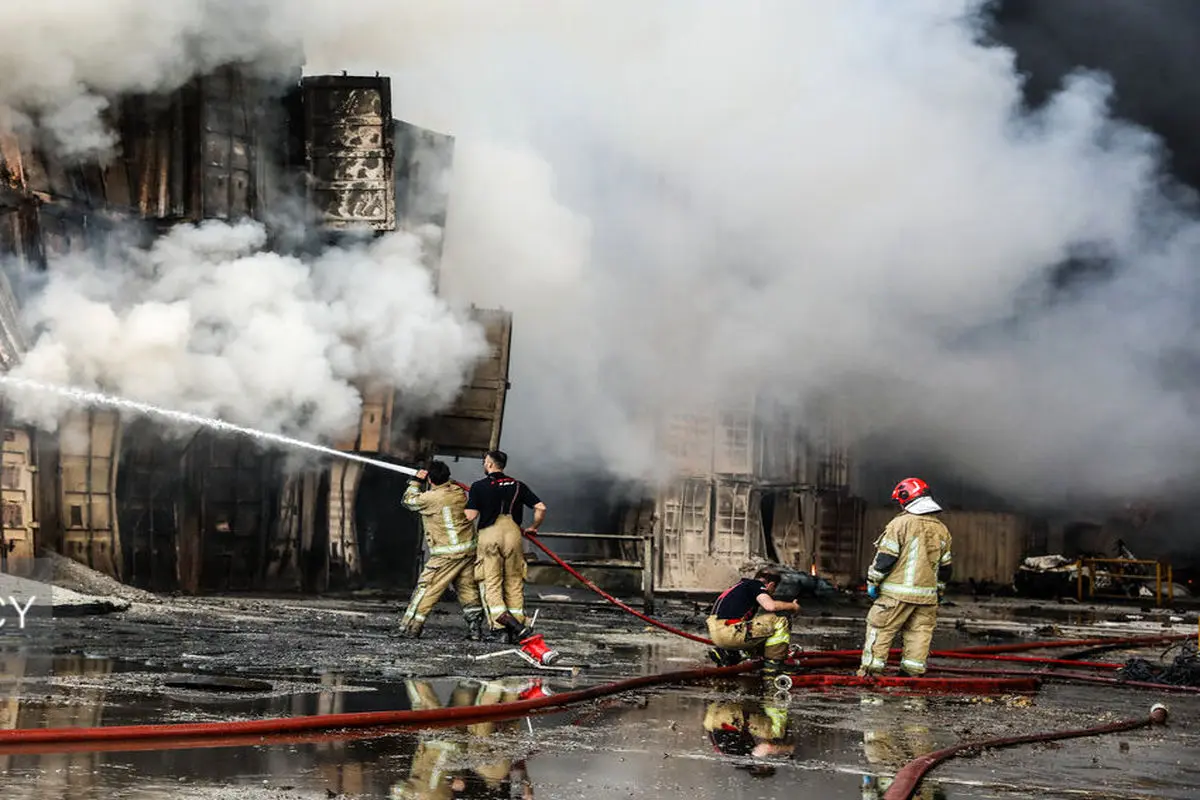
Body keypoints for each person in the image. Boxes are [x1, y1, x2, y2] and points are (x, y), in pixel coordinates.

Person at [858, 477, 953, 678]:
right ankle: (912, 674)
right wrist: (940, 591)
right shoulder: (942, 529)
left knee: (880, 629)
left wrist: (872, 582)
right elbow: (946, 567)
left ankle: (871, 674)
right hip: (928, 598)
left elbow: (885, 559)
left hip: (896, 595)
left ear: (905, 498)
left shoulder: (900, 524)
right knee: (919, 634)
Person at [464, 450, 547, 643]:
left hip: (490, 535)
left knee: (491, 583)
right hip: (513, 534)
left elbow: (470, 516)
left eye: (485, 462)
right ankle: (518, 629)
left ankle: (501, 629)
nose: (484, 465)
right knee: (514, 583)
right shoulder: (518, 485)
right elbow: (541, 507)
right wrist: (533, 527)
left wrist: (467, 502)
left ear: (490, 464)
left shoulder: (478, 486)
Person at [399, 460, 486, 640]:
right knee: (467, 589)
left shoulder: (432, 498)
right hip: (467, 550)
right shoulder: (457, 492)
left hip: (447, 554)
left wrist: (415, 481)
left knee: (427, 587)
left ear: (430, 479)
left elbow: (409, 502)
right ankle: (476, 629)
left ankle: (410, 627)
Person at [706, 567, 801, 674]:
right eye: (773, 589)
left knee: (760, 629)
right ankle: (775, 664)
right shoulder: (756, 585)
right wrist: (793, 606)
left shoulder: (738, 587)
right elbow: (770, 606)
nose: (772, 593)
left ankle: (729, 653)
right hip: (730, 632)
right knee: (780, 620)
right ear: (770, 585)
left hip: (718, 634)